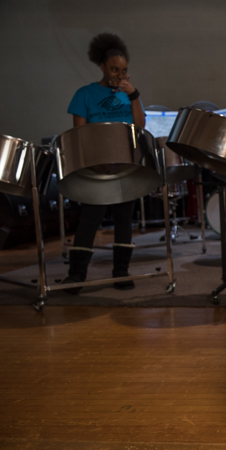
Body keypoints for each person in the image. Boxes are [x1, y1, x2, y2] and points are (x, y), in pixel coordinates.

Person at [62, 33, 146, 294]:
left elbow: (140, 127)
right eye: (113, 69)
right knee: (90, 218)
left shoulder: (129, 95)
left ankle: (121, 271)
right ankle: (76, 274)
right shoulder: (85, 94)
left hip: (125, 165)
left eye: (123, 71)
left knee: (124, 219)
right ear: (101, 66)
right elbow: (79, 134)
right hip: (96, 168)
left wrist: (134, 96)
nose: (119, 75)